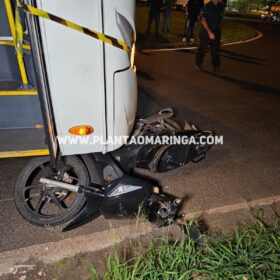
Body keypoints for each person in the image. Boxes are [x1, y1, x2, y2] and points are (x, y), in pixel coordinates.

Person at [195, 0, 223, 72]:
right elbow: (203, 20)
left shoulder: (220, 6)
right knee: (202, 49)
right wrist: (209, 32)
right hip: (206, 32)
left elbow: (220, 19)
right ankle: (198, 64)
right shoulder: (207, 6)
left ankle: (216, 66)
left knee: (215, 51)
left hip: (216, 33)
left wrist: (219, 30)